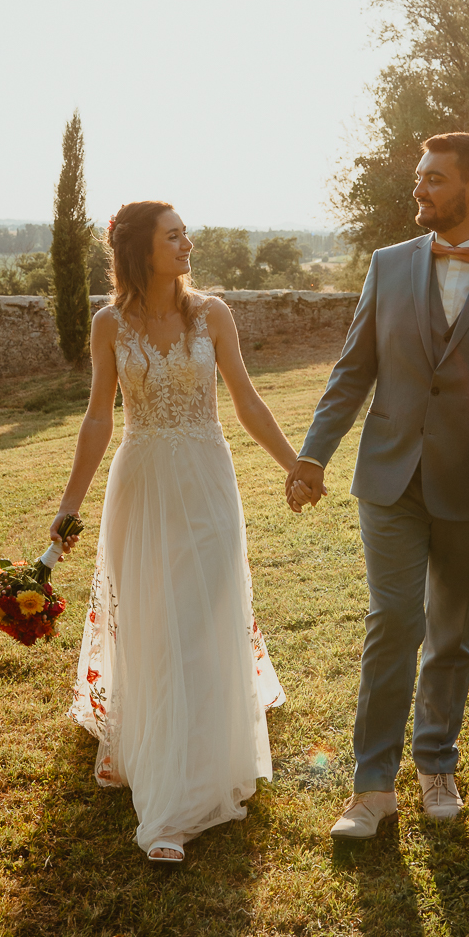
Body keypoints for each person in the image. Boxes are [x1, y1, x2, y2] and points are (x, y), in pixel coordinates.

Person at [285, 132, 469, 839]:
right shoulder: (387, 265)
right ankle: (371, 787)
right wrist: (312, 456)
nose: (419, 190)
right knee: (393, 621)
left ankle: (436, 761)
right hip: (387, 476)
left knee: (448, 632)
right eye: (419, 177)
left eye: (433, 179)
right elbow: (352, 371)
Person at [53, 200, 303, 864]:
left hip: (206, 477)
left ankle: (201, 764)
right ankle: (165, 806)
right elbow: (98, 420)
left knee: (205, 612)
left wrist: (294, 464)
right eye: (173, 235)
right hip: (141, 485)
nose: (187, 242)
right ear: (141, 251)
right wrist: (69, 504)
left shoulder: (212, 313)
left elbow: (245, 398)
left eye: (184, 232)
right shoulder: (109, 325)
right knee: (158, 623)